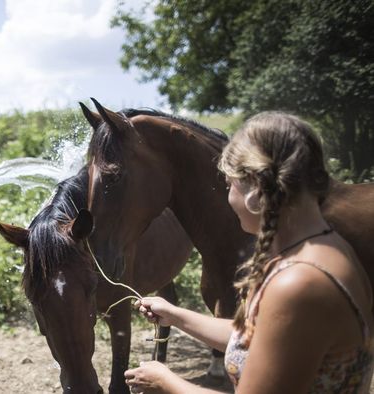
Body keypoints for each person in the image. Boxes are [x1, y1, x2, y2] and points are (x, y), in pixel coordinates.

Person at [124, 112, 374, 393]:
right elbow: (261, 339)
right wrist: (176, 316)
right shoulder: (323, 250)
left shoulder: (298, 283)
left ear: (255, 188)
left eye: (229, 184)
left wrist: (166, 382)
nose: (228, 196)